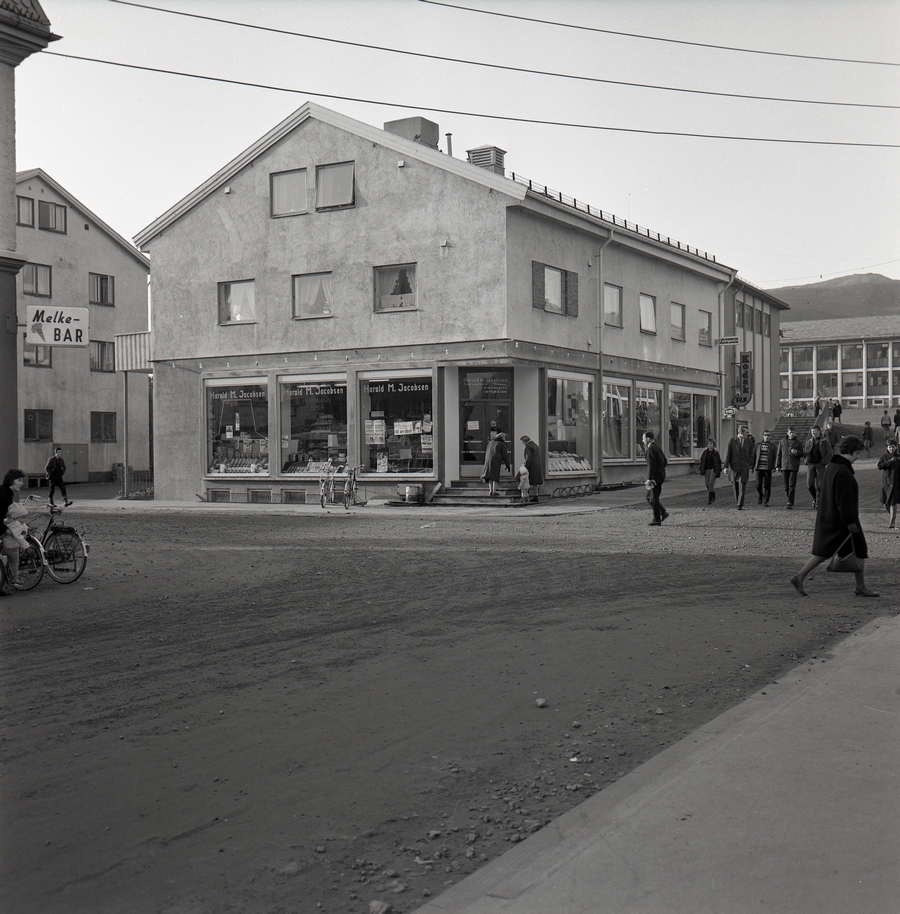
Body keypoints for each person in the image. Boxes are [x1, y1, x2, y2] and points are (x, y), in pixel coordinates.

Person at [790, 436, 878, 598]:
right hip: (843, 519)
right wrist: (850, 521)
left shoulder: (833, 465)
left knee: (825, 551)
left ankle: (800, 576)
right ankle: (860, 587)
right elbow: (844, 499)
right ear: (852, 452)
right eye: (857, 454)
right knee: (858, 551)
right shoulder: (843, 470)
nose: (858, 458)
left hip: (830, 516)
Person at [1, 469, 28, 587]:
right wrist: (6, 531)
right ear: (11, 481)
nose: (22, 483)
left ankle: (11, 576)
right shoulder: (3, 494)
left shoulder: (8, 492)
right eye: (19, 480)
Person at [724, 425, 755, 510]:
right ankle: (737, 500)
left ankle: (740, 503)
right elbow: (728, 454)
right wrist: (725, 466)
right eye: (746, 432)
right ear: (741, 432)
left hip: (744, 466)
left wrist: (750, 463)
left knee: (743, 483)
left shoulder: (749, 441)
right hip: (734, 467)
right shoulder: (732, 440)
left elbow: (751, 453)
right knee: (735, 485)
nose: (748, 434)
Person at [643, 430, 668, 525]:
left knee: (653, 497)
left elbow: (651, 465)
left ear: (648, 439)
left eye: (643, 438)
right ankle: (662, 512)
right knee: (649, 497)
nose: (642, 441)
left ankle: (657, 519)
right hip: (660, 475)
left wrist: (649, 478)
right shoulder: (657, 448)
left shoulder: (651, 449)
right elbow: (665, 461)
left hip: (655, 478)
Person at [804, 424, 833, 509]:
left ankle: (818, 503)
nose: (813, 433)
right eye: (812, 431)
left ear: (819, 431)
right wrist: (806, 461)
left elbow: (830, 453)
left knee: (819, 485)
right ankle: (815, 498)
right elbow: (805, 453)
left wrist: (823, 462)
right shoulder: (808, 442)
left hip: (820, 465)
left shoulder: (824, 441)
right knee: (810, 485)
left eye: (815, 431)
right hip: (811, 465)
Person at [777, 426, 803, 510]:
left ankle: (790, 502)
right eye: (790, 432)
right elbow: (779, 454)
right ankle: (789, 497)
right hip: (784, 466)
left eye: (793, 433)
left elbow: (802, 453)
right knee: (786, 486)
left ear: (795, 433)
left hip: (794, 466)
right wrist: (777, 465)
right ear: (787, 433)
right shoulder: (782, 441)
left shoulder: (798, 442)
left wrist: (796, 452)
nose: (792, 434)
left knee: (792, 484)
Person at [877, 440, 900, 530]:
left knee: (893, 503)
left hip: (896, 482)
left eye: (893, 447)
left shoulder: (899, 457)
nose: (891, 449)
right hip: (886, 482)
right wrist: (890, 461)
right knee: (884, 502)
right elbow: (880, 466)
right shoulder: (884, 456)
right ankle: (892, 515)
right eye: (890, 447)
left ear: (896, 447)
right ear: (887, 448)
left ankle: (892, 522)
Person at [481, 430, 510, 496]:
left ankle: (490, 491)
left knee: (489, 476)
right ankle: (494, 491)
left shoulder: (490, 442)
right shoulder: (502, 444)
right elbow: (505, 455)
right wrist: (507, 465)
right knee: (495, 476)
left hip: (488, 461)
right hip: (496, 461)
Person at [754, 429, 779, 506]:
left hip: (767, 468)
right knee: (758, 484)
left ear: (770, 436)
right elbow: (754, 456)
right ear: (763, 436)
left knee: (767, 485)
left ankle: (766, 501)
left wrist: (774, 467)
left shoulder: (773, 446)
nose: (767, 437)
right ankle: (761, 495)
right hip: (759, 468)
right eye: (765, 435)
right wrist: (752, 466)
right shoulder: (758, 445)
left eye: (768, 435)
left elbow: (775, 457)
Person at [520, 435, 544, 503]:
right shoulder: (535, 445)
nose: (523, 444)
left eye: (523, 442)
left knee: (526, 481)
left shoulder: (529, 447)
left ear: (524, 441)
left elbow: (528, 457)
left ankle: (526, 496)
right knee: (535, 482)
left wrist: (525, 466)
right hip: (537, 466)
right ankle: (536, 496)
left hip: (531, 466)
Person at [698, 438, 722, 504]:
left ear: (713, 445)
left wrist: (718, 469)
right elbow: (702, 461)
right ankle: (712, 493)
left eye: (711, 444)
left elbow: (719, 462)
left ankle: (710, 498)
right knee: (707, 484)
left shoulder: (716, 453)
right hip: (706, 469)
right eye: (709, 444)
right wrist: (701, 468)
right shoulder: (705, 452)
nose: (710, 445)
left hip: (713, 469)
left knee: (711, 483)